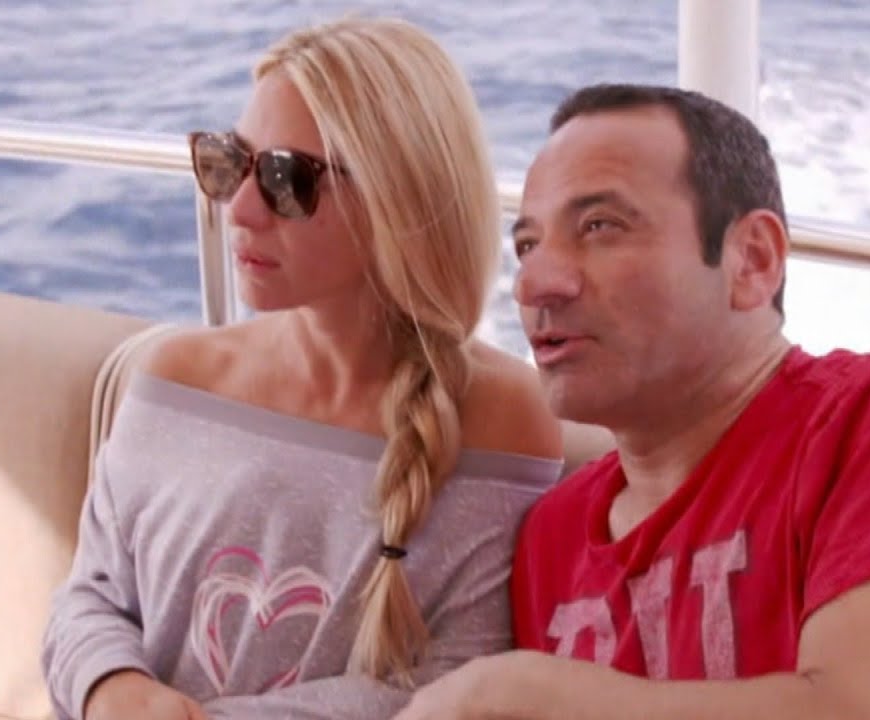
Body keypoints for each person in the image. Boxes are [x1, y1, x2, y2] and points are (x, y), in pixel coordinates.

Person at [393, 83, 870, 719]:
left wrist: (518, 695)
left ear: (753, 261)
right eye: (526, 245)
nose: (535, 283)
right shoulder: (555, 538)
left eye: (600, 227)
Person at [40, 17, 563, 720]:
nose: (239, 209)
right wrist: (112, 690)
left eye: (286, 179)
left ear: (398, 197)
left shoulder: (504, 416)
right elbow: (90, 597)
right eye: (230, 163)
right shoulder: (176, 377)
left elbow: (454, 686)